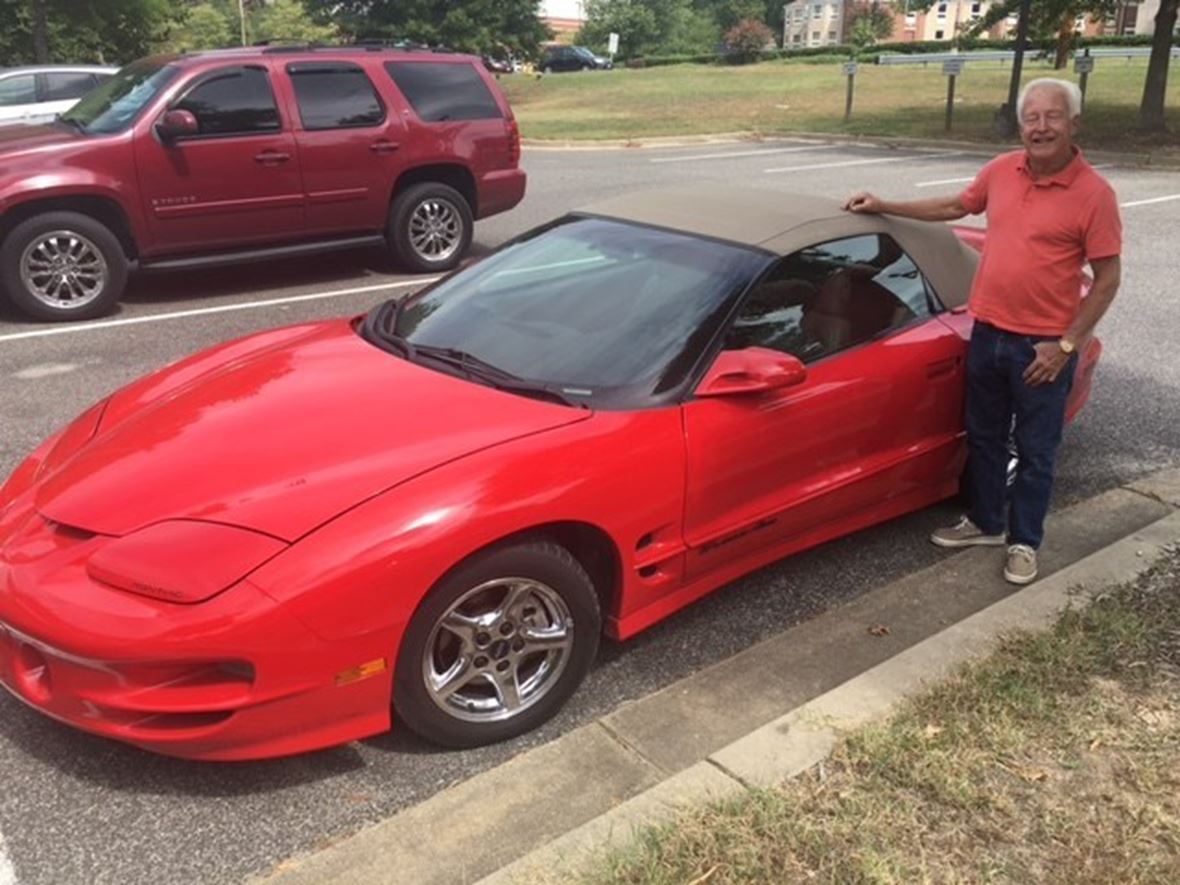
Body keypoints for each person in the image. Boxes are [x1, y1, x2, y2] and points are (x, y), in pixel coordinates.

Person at [843, 77, 1122, 585]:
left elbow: (1107, 280)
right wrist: (885, 205)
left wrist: (1065, 347)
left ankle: (1024, 541)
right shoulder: (1001, 171)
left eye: (1052, 117)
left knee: (1036, 451)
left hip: (1043, 348)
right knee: (986, 437)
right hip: (988, 333)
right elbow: (956, 207)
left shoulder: (1093, 195)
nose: (1040, 127)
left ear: (1074, 123)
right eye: (1031, 118)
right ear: (1021, 125)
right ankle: (988, 523)